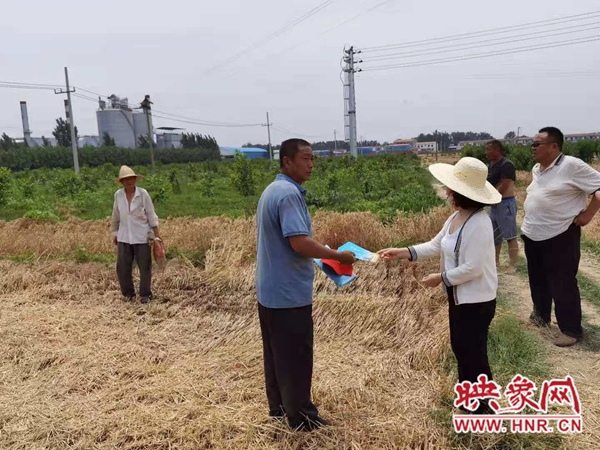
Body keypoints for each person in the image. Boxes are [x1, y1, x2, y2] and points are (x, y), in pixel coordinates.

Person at [377, 157, 501, 414]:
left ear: (462, 193)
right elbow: (435, 245)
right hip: (460, 299)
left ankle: (482, 407)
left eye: (450, 189)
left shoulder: (479, 223)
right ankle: (470, 399)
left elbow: (473, 268)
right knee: (462, 348)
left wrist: (441, 278)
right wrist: (401, 252)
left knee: (473, 352)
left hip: (477, 301)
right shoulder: (456, 217)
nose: (446, 192)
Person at [255, 138, 357, 431]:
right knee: (296, 357)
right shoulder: (288, 194)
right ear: (287, 162)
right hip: (288, 295)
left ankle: (279, 409)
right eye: (304, 158)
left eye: (313, 158)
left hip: (270, 291)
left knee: (276, 354)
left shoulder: (272, 190)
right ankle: (301, 418)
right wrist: (337, 255)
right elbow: (299, 242)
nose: (311, 164)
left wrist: (321, 253)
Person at [521, 127, 600, 347]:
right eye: (532, 143)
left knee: (563, 284)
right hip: (533, 235)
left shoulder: (571, 166)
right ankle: (540, 317)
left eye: (538, 144)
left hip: (560, 235)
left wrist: (588, 214)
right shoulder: (538, 168)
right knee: (538, 280)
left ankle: (571, 329)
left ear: (554, 146)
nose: (533, 147)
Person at [111, 165, 161, 304]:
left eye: (131, 179)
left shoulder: (143, 194)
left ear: (135, 179)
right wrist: (115, 233)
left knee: (144, 266)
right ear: (121, 182)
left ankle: (145, 294)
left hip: (142, 237)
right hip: (124, 237)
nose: (129, 181)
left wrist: (157, 237)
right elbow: (115, 216)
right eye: (126, 180)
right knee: (122, 267)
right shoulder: (118, 195)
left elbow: (151, 215)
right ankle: (128, 294)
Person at [485, 139, 518, 274]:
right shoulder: (492, 165)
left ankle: (513, 265)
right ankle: (495, 262)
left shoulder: (507, 165)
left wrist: (493, 197)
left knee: (510, 236)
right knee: (495, 236)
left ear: (497, 150)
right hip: (495, 205)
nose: (486, 152)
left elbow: (504, 185)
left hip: (505, 203)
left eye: (488, 149)